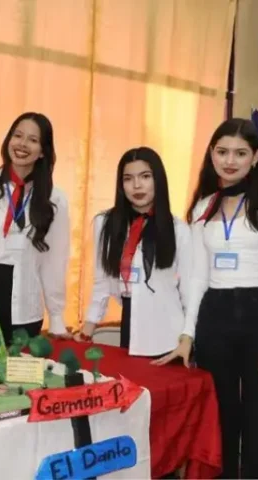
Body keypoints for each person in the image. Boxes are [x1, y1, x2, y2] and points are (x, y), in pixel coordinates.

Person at [157, 118, 258, 479]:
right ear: (211, 154)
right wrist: (188, 334)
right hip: (215, 317)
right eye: (222, 152)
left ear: (255, 157)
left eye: (240, 153)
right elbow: (197, 277)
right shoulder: (203, 206)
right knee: (218, 419)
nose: (230, 161)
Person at [0, 112, 71, 346]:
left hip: (26, 306)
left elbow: (54, 261)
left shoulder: (55, 198)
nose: (22, 144)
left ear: (43, 151)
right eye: (18, 135)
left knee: (24, 367)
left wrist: (56, 316)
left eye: (33, 140)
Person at [78, 147, 191, 357]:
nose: (137, 185)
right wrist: (88, 329)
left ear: (158, 180)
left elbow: (188, 293)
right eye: (128, 179)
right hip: (130, 318)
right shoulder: (105, 224)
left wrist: (188, 337)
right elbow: (102, 282)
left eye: (145, 176)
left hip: (169, 331)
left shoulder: (178, 229)